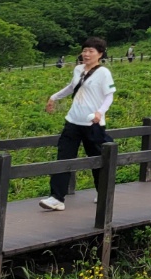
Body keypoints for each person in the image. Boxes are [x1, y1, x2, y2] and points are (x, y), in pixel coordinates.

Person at [40, 37, 116, 211]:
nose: (86, 54)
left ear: (100, 54)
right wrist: (54, 97)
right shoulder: (78, 69)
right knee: (64, 158)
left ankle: (103, 192)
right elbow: (72, 87)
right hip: (73, 121)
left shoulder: (103, 73)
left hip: (93, 124)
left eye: (91, 51)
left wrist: (100, 112)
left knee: (97, 160)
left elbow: (109, 96)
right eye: (84, 50)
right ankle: (56, 198)